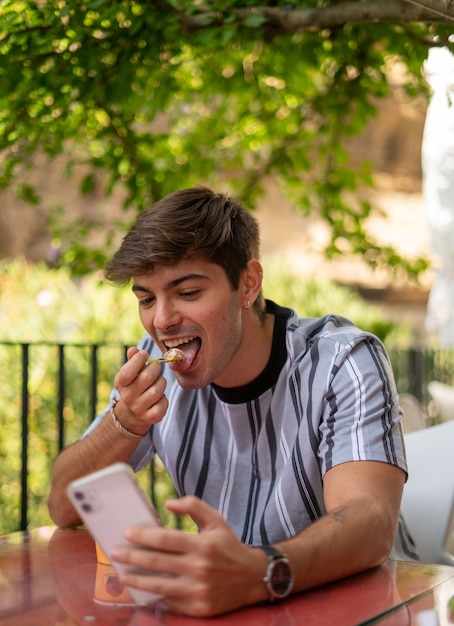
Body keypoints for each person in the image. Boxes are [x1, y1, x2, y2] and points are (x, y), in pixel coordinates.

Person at [48, 186, 416, 618]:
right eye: (146, 298)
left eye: (186, 293)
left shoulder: (341, 361)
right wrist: (124, 421)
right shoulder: (156, 367)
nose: (161, 320)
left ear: (248, 283)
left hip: (368, 605)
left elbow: (369, 523)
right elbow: (63, 504)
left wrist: (259, 572)